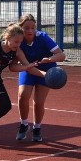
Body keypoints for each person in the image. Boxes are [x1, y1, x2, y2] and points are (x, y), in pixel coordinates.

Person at [15, 14, 67, 142]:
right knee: (22, 96)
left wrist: (49, 59)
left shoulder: (42, 37)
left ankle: (37, 128)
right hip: (29, 69)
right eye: (26, 28)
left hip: (47, 69)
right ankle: (23, 124)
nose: (30, 31)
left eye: (33, 27)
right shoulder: (18, 41)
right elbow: (25, 65)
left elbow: (61, 55)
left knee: (38, 102)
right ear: (21, 28)